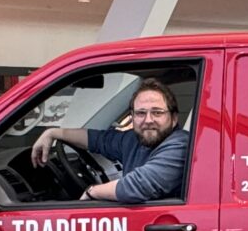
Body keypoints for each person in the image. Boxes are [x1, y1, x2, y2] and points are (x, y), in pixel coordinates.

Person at [29, 77, 189, 203]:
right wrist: (53, 133)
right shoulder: (134, 139)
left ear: (174, 118)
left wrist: (92, 192)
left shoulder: (181, 145)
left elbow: (138, 186)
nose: (148, 120)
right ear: (132, 117)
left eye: (157, 112)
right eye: (141, 113)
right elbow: (97, 139)